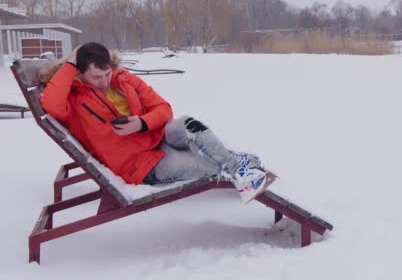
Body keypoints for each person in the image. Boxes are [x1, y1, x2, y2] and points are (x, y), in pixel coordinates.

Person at [40, 42, 275, 203]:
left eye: (106, 74)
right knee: (203, 165)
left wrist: (141, 123)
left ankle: (237, 167)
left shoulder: (124, 79)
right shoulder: (73, 98)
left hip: (156, 137)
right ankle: (239, 166)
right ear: (80, 73)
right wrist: (69, 64)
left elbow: (164, 109)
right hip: (139, 164)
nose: (103, 82)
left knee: (187, 123)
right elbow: (50, 105)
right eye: (95, 77)